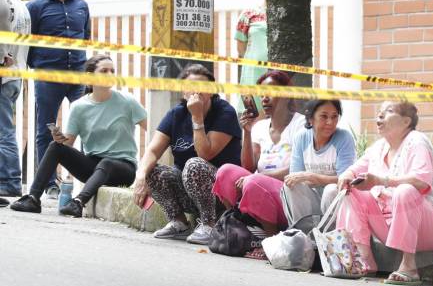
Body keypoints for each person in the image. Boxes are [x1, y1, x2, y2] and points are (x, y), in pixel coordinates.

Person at [10, 55, 146, 217]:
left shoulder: (128, 101)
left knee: (107, 162)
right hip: (93, 167)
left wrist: (148, 167)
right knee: (55, 147)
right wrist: (59, 139)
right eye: (104, 71)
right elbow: (67, 145)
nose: (110, 74)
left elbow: (153, 130)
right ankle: (33, 198)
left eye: (112, 71)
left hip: (123, 168)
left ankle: (78, 202)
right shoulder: (79, 107)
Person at [337, 101, 433, 285]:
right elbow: (354, 169)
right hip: (392, 225)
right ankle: (364, 259)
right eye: (380, 112)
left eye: (389, 111)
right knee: (351, 191)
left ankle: (409, 266)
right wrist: (347, 175)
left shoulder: (416, 141)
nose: (380, 116)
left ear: (406, 122)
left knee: (406, 190)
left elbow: (421, 182)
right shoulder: (379, 147)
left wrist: (380, 181)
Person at [132, 64, 242, 244]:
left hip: (223, 195)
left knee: (194, 164)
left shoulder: (225, 112)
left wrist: (197, 118)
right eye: (191, 87)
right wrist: (141, 176)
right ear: (183, 91)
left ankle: (209, 224)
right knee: (153, 170)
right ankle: (178, 222)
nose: (197, 91)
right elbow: (153, 150)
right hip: (190, 192)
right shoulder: (176, 113)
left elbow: (205, 154)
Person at [27, 0, 91, 198]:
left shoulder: (82, 6)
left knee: (85, 127)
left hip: (77, 76)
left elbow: (85, 38)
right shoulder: (35, 6)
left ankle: (86, 180)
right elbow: (28, 45)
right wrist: (41, 67)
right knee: (46, 130)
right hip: (48, 77)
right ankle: (49, 184)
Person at [212, 70, 305, 236]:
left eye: (270, 93)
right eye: (262, 94)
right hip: (256, 187)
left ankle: (271, 240)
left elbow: (298, 168)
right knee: (225, 171)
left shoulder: (301, 124)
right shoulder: (260, 127)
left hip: (289, 194)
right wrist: (247, 132)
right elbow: (248, 166)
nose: (264, 98)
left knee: (254, 182)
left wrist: (260, 178)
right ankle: (240, 225)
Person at [282, 99, 355, 233]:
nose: (330, 122)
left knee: (331, 189)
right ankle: (302, 235)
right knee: (291, 185)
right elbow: (295, 177)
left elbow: (344, 180)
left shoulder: (344, 138)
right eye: (324, 116)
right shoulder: (301, 137)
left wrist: (311, 176)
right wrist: (307, 178)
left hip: (334, 203)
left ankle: (330, 241)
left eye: (334, 117)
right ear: (310, 119)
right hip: (312, 201)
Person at [0, 0, 30, 204]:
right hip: (17, 75)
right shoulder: (23, 8)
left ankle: (10, 181)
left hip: (5, 74)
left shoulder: (5, 5)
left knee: (4, 131)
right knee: (6, 129)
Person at [235, 0, 268, 111]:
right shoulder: (248, 14)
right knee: (251, 116)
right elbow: (241, 48)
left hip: (277, 72)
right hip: (253, 71)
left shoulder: (285, 16)